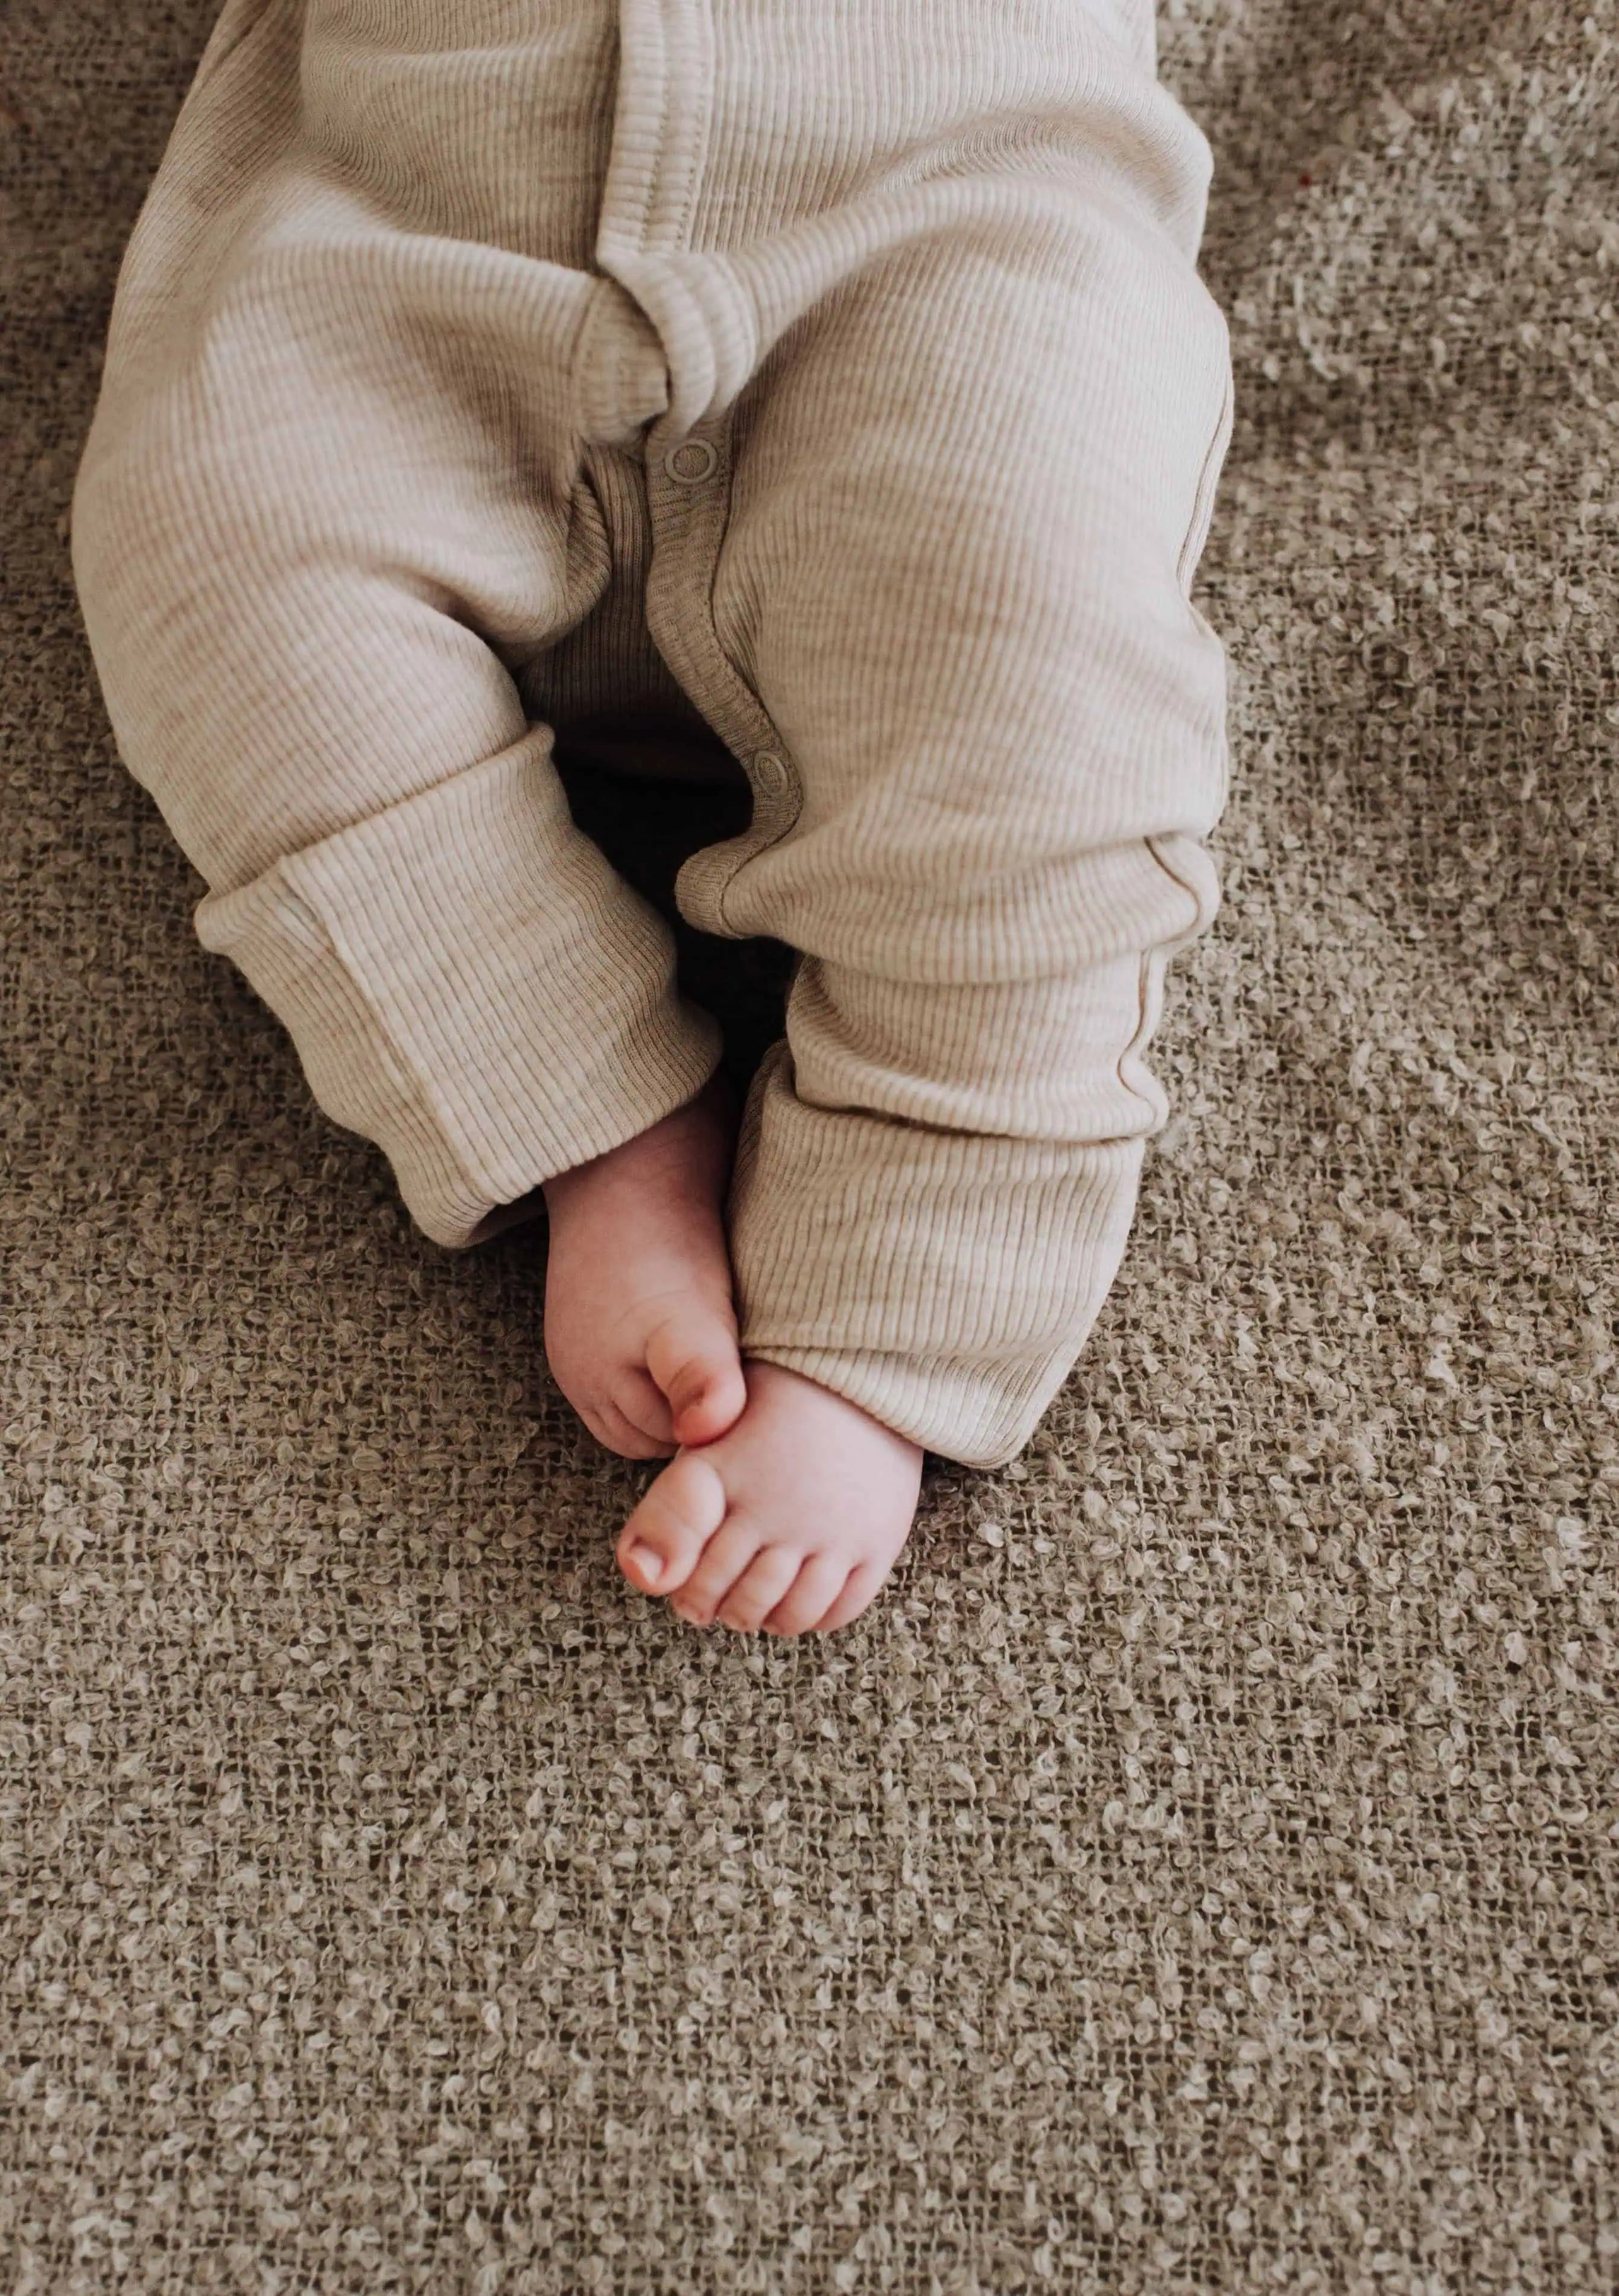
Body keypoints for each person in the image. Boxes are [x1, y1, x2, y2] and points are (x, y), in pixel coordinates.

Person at [72, 0, 1233, 1636]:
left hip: (932, 213)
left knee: (1030, 648)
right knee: (205, 535)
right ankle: (588, 1108)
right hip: (417, 232)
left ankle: (898, 1274)